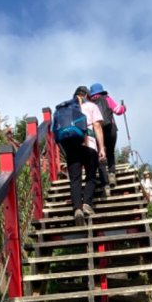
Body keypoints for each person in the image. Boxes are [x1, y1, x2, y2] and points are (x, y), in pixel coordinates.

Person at [61, 86, 106, 225]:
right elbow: (97, 126)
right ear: (86, 94)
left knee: (75, 179)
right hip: (89, 145)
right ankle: (86, 203)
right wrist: (102, 148)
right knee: (91, 176)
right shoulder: (91, 106)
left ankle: (77, 209)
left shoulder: (65, 108)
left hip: (71, 147)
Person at [88, 82, 126, 189]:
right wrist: (124, 107)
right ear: (101, 90)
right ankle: (112, 175)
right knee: (110, 152)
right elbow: (118, 110)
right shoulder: (107, 98)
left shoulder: (90, 103)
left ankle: (105, 183)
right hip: (110, 129)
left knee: (100, 154)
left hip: (97, 130)